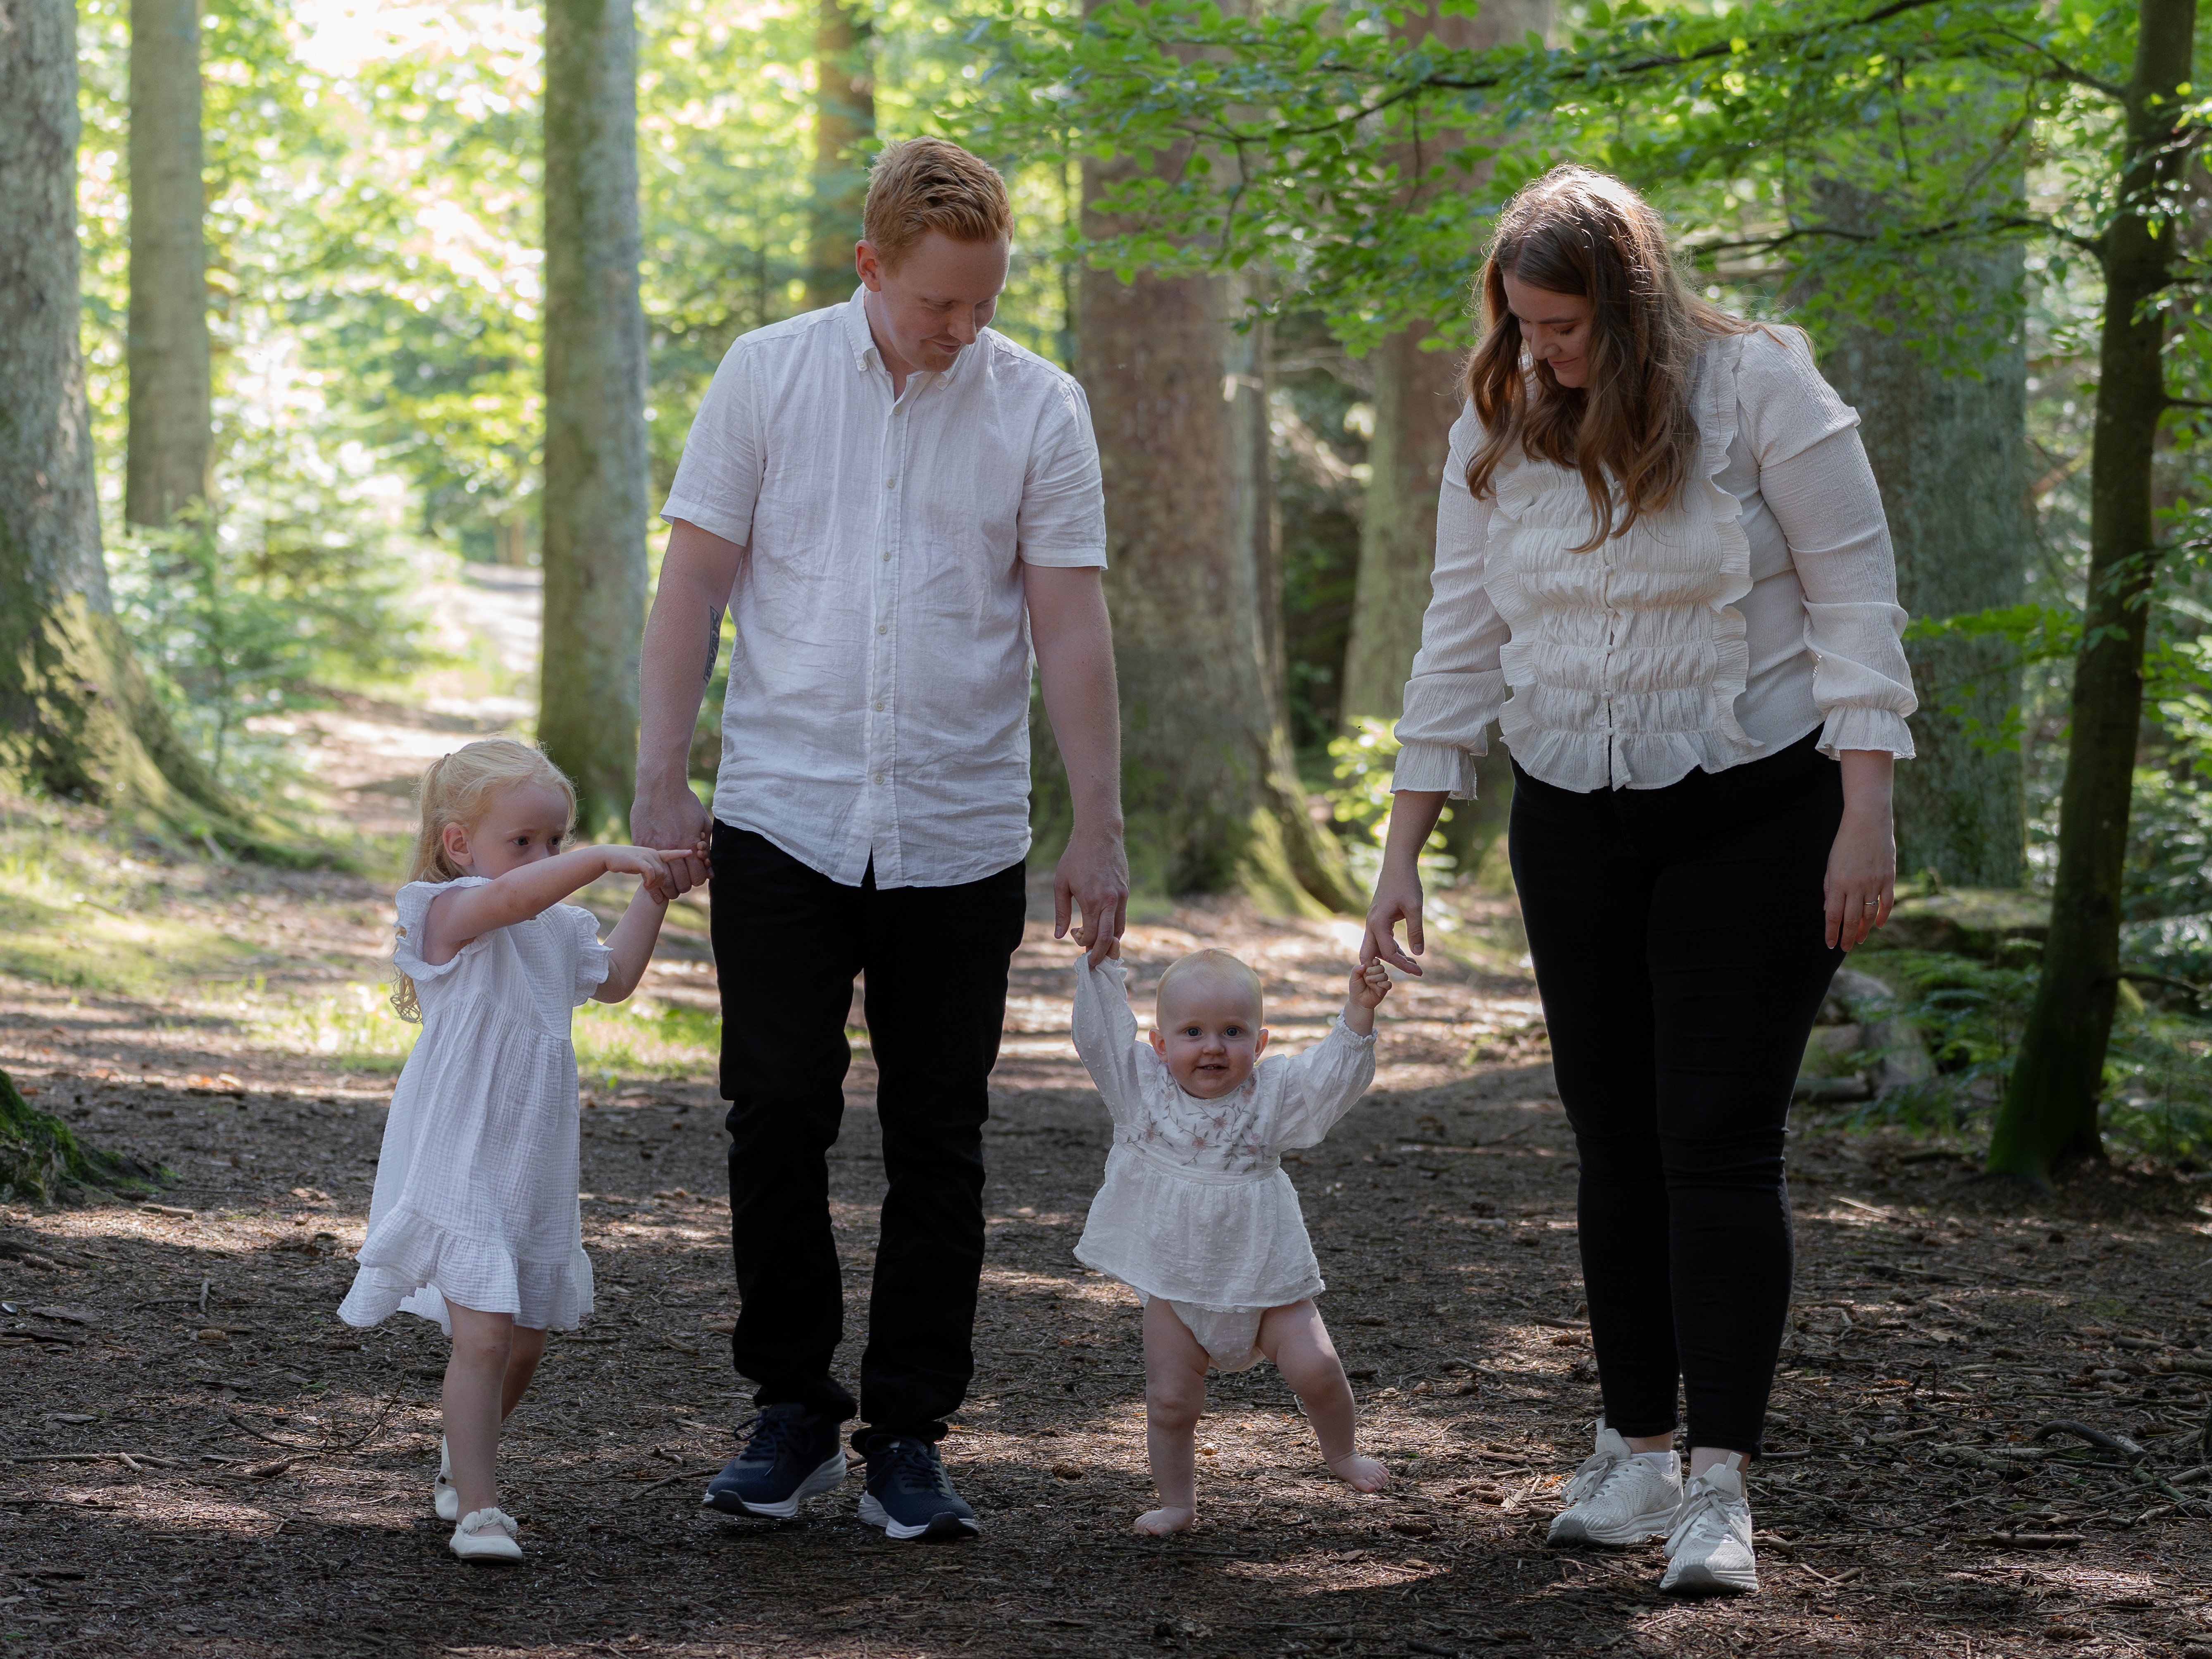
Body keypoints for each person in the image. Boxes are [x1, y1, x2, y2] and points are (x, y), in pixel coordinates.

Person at [1362, 166, 1916, 1596]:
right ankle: (1635, 1449)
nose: (1540, 350)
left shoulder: (1762, 387)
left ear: (1632, 303)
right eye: (1522, 323)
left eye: (1563, 326)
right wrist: (1402, 844)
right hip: (1570, 810)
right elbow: (1458, 630)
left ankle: (1721, 1487)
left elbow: (1857, 600)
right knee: (1611, 1137)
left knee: (1716, 1139)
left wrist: (1867, 813)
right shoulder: (1499, 416)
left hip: (1760, 807)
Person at [631, 136, 1127, 1543]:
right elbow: (692, 587)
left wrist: (1097, 823)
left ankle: (908, 1431)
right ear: (870, 265)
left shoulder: (1040, 405)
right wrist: (661, 777)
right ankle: (791, 1410)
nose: (962, 327)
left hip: (959, 829)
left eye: (984, 301)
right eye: (936, 303)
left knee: (940, 1135)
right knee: (776, 1108)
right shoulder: (765, 374)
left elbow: (1071, 626)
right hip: (782, 809)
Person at [338, 739, 694, 1563]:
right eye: (522, 841)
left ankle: (459, 1456)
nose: (544, 857)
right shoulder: (444, 910)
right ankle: (479, 1511)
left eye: (556, 841)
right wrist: (599, 858)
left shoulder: (558, 924)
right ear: (460, 843)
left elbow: (618, 979)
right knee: (486, 1338)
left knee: (525, 1341)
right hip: (459, 1150)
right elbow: (507, 900)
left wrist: (654, 893)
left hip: (531, 1158)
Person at [1070, 944, 1395, 1534]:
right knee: (1171, 1401)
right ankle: (1178, 1502)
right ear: (1160, 1044)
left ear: (1260, 1043)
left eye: (1233, 1031)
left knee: (1318, 1369)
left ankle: (1343, 1451)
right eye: (1193, 1031)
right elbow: (1100, 1039)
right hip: (1175, 1285)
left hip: (1265, 1280)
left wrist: (1359, 1011)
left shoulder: (1269, 1096)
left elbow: (1328, 1083)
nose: (1214, 1046)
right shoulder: (1141, 1093)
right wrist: (1100, 969)